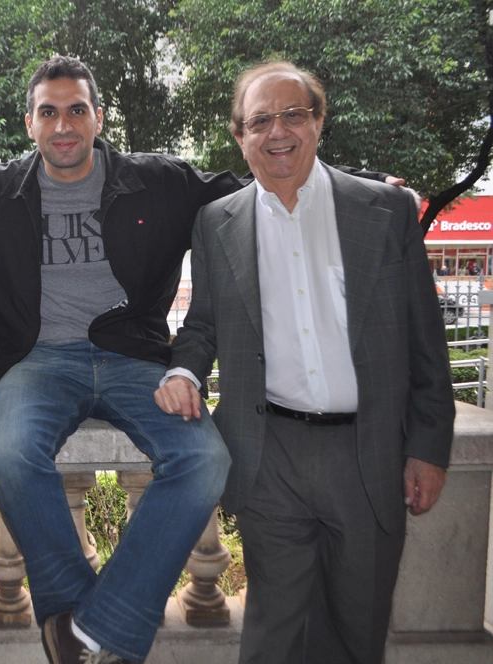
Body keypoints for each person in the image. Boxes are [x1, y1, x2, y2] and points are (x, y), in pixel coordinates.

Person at [0, 55, 395, 664]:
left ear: (98, 118)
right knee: (8, 456)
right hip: (36, 362)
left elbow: (255, 179)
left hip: (132, 356)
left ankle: (81, 635)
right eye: (49, 112)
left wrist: (365, 179)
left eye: (77, 110)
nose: (64, 125)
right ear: (29, 122)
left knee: (204, 458)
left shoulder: (155, 181)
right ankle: (82, 622)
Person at [155, 61, 455, 664]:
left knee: (357, 628)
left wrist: (428, 444)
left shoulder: (385, 211)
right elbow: (205, 325)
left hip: (369, 452)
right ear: (240, 137)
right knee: (273, 631)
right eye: (259, 120)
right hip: (271, 456)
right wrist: (182, 369)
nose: (277, 131)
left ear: (319, 121)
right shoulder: (217, 223)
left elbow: (427, 343)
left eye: (293, 114)